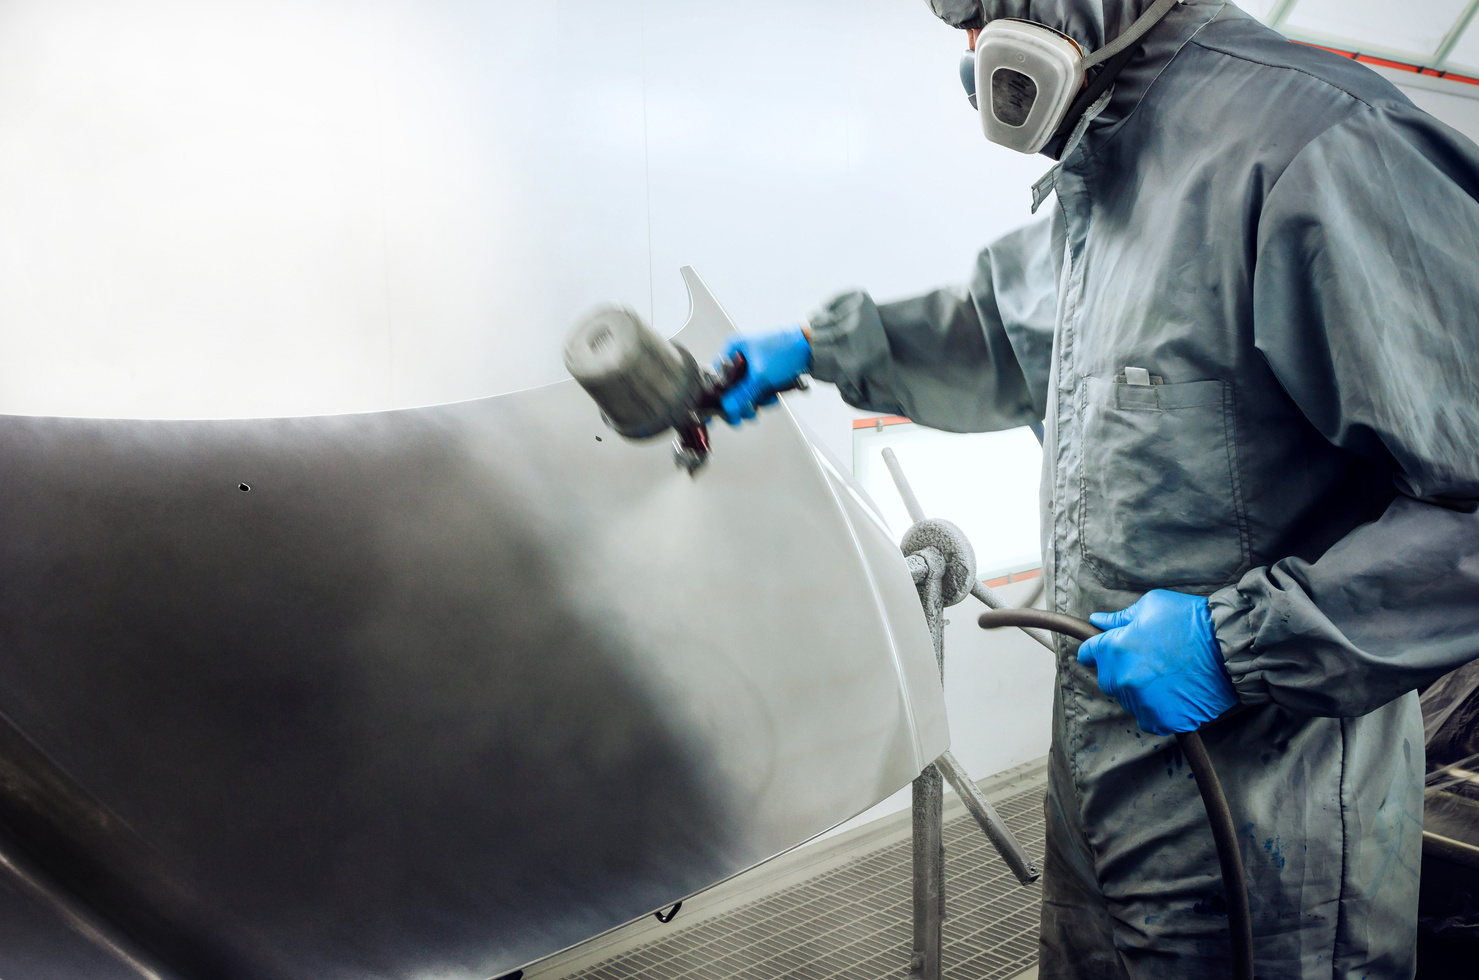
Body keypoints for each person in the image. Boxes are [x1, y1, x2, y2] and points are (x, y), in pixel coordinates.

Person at [714, 2, 1479, 978]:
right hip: (1103, 817)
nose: (970, 53)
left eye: (983, 16)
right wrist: (822, 350)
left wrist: (1239, 642)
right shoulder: (1108, 162)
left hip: (1266, 843)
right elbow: (996, 336)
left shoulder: (1321, 148)